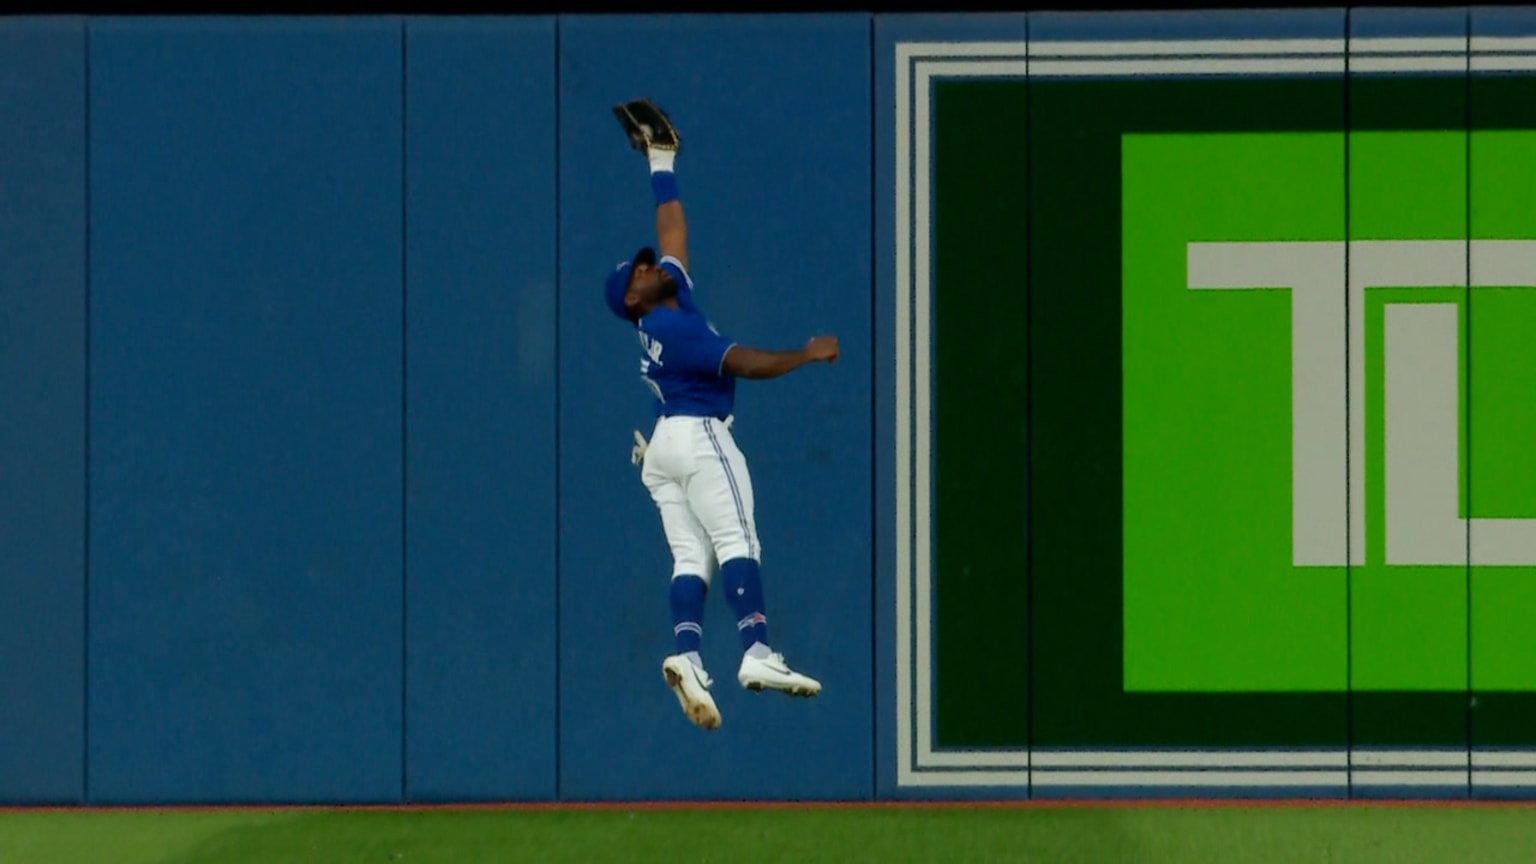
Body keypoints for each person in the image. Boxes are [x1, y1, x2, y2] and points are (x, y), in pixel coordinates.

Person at [603, 118, 837, 732]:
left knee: (690, 558)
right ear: (634, 300)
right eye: (639, 273)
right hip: (698, 434)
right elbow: (746, 363)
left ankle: (685, 652)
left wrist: (660, 164)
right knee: (739, 542)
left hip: (662, 450)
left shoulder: (671, 293)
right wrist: (806, 354)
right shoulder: (670, 326)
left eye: (648, 266)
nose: (651, 266)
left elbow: (672, 230)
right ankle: (757, 653)